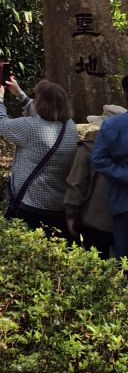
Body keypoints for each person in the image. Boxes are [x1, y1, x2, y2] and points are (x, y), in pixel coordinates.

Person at [0, 74, 77, 237]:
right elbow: (42, 113)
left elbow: (0, 123)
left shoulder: (30, 127)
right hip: (58, 206)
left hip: (30, 205)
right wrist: (19, 94)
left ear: (41, 104)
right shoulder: (70, 127)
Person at [65, 118, 115, 257]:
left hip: (93, 220)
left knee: (96, 261)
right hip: (120, 220)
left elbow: (76, 183)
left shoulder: (88, 148)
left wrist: (70, 214)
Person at [89, 82, 128, 260]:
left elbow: (98, 159)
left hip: (123, 203)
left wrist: (123, 174)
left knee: (124, 261)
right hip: (123, 203)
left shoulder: (113, 125)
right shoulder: (114, 125)